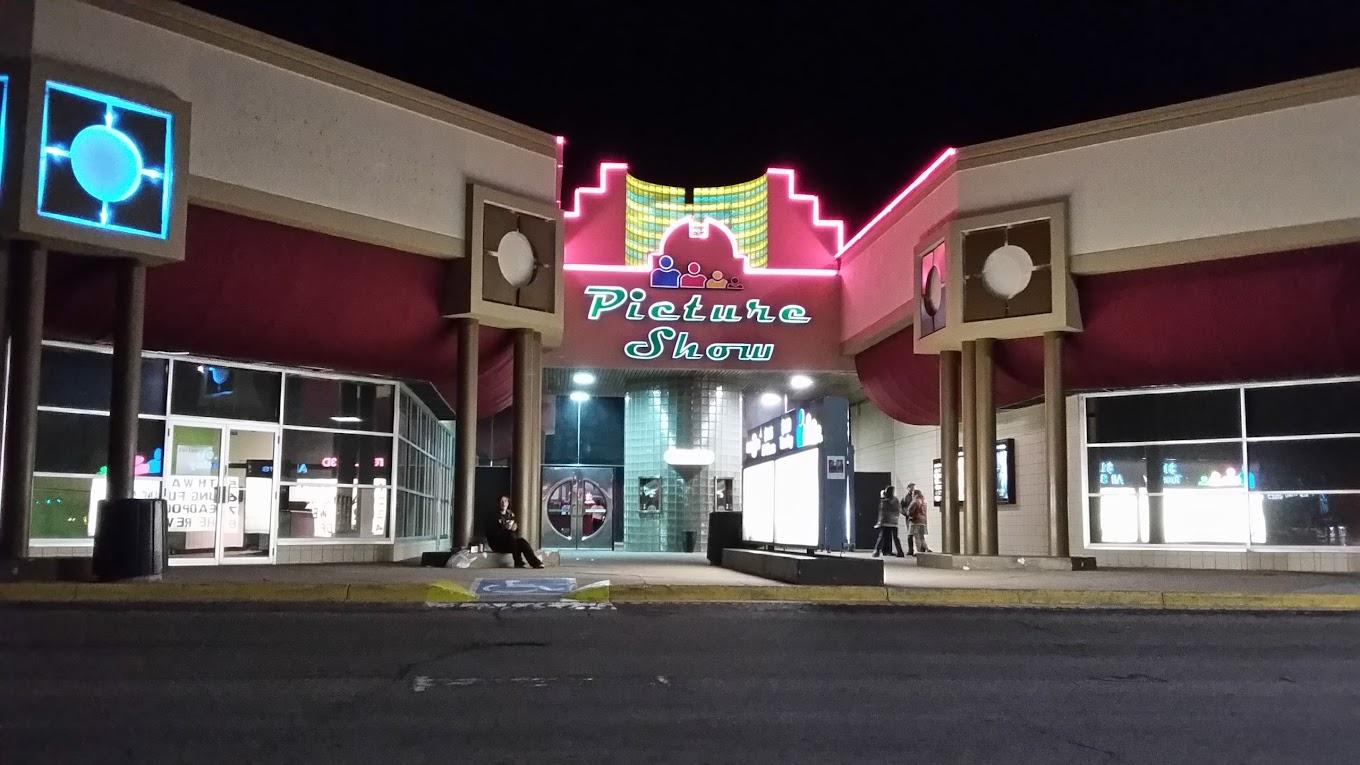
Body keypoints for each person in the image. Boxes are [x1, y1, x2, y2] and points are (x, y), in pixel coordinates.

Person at [487, 495, 543, 569]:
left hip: (511, 543)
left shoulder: (510, 514)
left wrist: (515, 528)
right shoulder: (492, 515)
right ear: (498, 503)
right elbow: (491, 533)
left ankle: (535, 563)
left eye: (505, 501)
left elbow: (515, 531)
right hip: (498, 544)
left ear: (508, 503)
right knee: (510, 535)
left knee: (522, 542)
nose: (503, 503)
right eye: (501, 501)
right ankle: (518, 561)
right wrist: (503, 528)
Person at [873, 486, 905, 558]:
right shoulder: (896, 500)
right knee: (896, 538)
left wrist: (879, 522)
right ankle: (900, 552)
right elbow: (898, 509)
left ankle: (876, 551)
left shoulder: (884, 501)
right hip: (894, 522)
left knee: (881, 537)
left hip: (886, 522)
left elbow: (882, 513)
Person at [907, 489, 931, 555]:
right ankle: (927, 548)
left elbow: (910, 511)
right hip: (923, 521)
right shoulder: (924, 501)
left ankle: (918, 551)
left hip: (916, 521)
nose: (912, 495)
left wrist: (908, 514)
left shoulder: (915, 501)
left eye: (913, 493)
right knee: (921, 537)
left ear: (915, 494)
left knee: (916, 537)